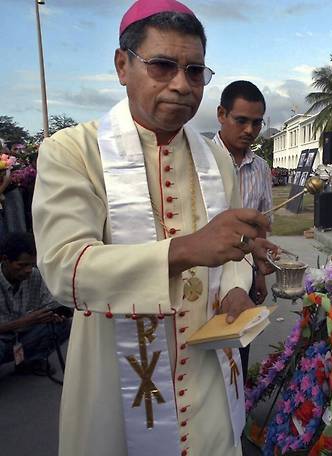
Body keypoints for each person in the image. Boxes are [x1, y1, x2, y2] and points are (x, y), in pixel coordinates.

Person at [31, 2, 278, 455]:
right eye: (162, 66)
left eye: (195, 70)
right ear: (123, 65)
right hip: (115, 383)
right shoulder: (73, 151)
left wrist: (235, 289)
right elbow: (65, 270)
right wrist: (185, 250)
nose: (181, 84)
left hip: (207, 378)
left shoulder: (215, 158)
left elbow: (232, 252)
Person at [214, 80, 272, 380]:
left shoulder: (260, 168)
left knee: (240, 346)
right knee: (206, 353)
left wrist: (260, 273)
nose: (249, 130)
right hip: (205, 274)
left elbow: (262, 225)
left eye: (257, 123)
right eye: (241, 120)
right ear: (221, 115)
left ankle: (239, 414)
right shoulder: (201, 160)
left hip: (245, 270)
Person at [0, 232, 71, 375]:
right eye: (22, 265)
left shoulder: (34, 275)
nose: (27, 270)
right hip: (2, 339)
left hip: (22, 336)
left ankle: (30, 360)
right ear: (5, 260)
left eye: (31, 265)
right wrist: (24, 321)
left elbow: (49, 303)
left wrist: (54, 314)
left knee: (62, 325)